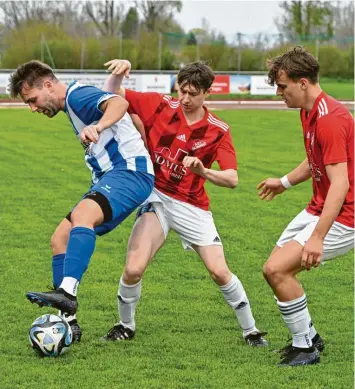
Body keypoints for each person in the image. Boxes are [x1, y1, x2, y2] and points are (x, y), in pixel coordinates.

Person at [100, 59, 268, 347]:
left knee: (219, 271)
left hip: (193, 207)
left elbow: (232, 179)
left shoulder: (218, 130)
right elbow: (113, 96)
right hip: (158, 199)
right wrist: (119, 73)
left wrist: (204, 171)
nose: (186, 99)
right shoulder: (160, 106)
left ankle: (250, 331)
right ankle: (125, 325)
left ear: (207, 93)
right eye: (182, 91)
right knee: (133, 269)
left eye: (193, 93)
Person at [9, 60, 154, 342]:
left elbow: (118, 105)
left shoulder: (77, 95)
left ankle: (67, 294)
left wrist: (98, 127)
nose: (33, 108)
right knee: (59, 239)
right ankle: (69, 322)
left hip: (130, 173)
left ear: (48, 85)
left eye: (33, 100)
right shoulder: (72, 105)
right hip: (112, 178)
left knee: (83, 215)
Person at [257, 46, 354, 367]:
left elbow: (340, 184)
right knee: (273, 268)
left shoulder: (331, 120)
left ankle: (305, 349)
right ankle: (309, 336)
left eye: (282, 86)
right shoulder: (308, 111)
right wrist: (283, 182)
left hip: (345, 215)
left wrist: (318, 238)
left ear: (303, 83)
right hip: (318, 206)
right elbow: (315, 158)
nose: (278, 93)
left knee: (277, 269)